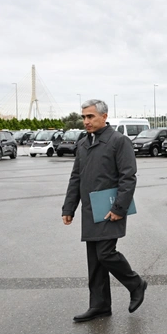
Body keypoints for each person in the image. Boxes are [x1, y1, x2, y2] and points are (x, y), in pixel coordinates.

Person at [62, 99, 147, 322]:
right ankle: (99, 305)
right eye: (83, 117)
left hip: (110, 207)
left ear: (104, 116)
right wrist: (69, 207)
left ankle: (135, 283)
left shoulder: (119, 141)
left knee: (105, 253)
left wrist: (120, 207)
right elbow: (76, 178)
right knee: (95, 259)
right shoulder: (83, 143)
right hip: (91, 208)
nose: (86, 121)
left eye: (90, 117)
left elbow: (128, 177)